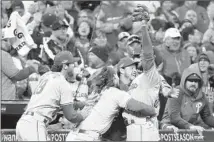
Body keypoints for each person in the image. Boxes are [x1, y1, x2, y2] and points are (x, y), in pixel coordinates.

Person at [121, 5, 179, 141]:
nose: (141, 56)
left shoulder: (151, 74)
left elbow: (147, 51)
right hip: (135, 127)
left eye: (145, 56)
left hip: (144, 128)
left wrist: (143, 27)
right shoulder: (141, 76)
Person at [66, 64, 156, 141]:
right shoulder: (115, 92)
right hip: (86, 138)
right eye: (116, 76)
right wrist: (153, 111)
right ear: (113, 78)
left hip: (74, 135)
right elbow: (137, 106)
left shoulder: (96, 92)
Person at [16, 51, 88, 141]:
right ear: (65, 66)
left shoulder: (46, 76)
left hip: (23, 122)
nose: (74, 66)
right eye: (72, 64)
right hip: (35, 124)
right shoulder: (62, 83)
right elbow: (71, 116)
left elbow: (62, 103)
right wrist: (82, 116)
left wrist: (83, 104)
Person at [161, 67, 214, 131]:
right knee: (172, 129)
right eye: (190, 80)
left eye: (196, 81)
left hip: (190, 127)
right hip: (170, 126)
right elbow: (174, 118)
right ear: (184, 81)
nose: (193, 83)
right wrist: (190, 126)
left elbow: (207, 117)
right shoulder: (176, 92)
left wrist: (191, 127)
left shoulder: (201, 96)